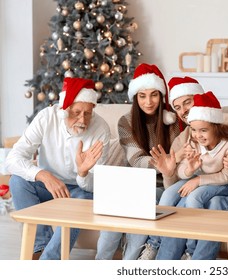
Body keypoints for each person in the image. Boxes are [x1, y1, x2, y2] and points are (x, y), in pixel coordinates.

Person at [137, 76, 228, 260]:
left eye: (187, 102)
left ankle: (191, 257)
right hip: (197, 185)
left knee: (194, 202)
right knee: (176, 200)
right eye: (177, 107)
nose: (183, 111)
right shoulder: (186, 138)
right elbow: (175, 184)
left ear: (200, 97)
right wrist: (169, 171)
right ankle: (161, 255)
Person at [5, 77, 110, 260]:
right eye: (76, 112)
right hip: (49, 186)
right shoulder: (47, 117)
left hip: (81, 191)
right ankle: (39, 249)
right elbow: (12, 159)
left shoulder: (101, 129)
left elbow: (99, 186)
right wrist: (42, 174)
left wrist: (83, 172)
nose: (82, 120)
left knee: (82, 199)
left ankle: (49, 261)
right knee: (18, 182)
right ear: (64, 108)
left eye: (87, 113)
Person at [95, 63, 180, 260]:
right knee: (112, 215)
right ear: (135, 97)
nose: (148, 102)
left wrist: (167, 166)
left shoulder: (173, 121)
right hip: (135, 181)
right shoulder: (126, 122)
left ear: (161, 95)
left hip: (162, 185)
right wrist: (160, 162)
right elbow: (135, 159)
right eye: (142, 96)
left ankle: (129, 265)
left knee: (141, 213)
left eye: (154, 95)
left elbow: (176, 158)